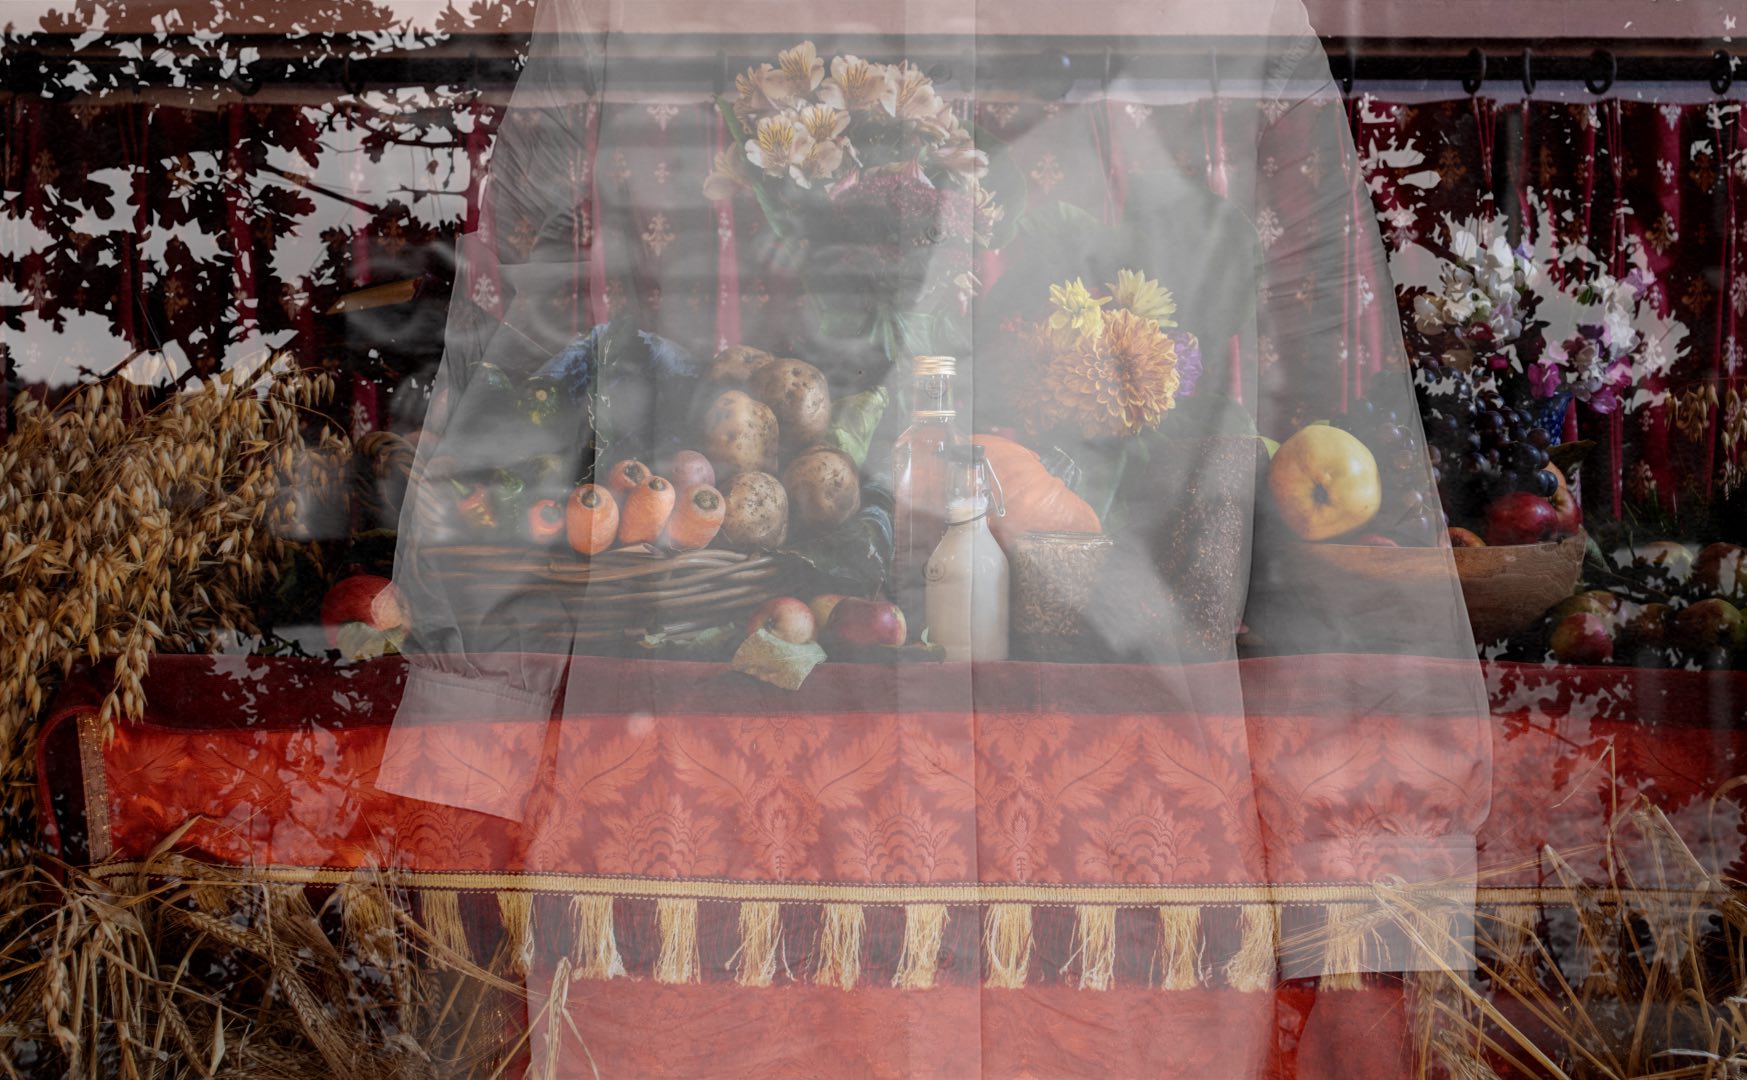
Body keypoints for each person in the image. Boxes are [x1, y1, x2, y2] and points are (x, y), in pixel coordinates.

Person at [379, 0, 1489, 1074]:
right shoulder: (632, 16)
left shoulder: (1224, 21)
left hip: (1111, 931)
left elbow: (1341, 469)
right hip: (711, 916)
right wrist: (463, 842)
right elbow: (509, 408)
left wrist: (1370, 955)